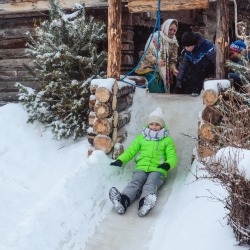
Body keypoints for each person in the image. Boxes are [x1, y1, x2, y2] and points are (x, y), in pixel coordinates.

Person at [109, 107, 178, 217]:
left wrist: (167, 164)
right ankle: (123, 201)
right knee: (135, 183)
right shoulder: (141, 137)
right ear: (148, 124)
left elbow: (172, 156)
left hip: (158, 169)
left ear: (162, 125)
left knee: (151, 183)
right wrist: (120, 160)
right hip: (141, 167)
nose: (154, 127)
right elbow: (131, 150)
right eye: (151, 124)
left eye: (157, 124)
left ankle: (145, 203)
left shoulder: (167, 140)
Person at [135, 19, 179, 93]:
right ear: (166, 27)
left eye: (174, 30)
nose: (172, 32)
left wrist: (173, 69)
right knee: (155, 81)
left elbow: (172, 61)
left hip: (164, 70)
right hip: (149, 67)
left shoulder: (174, 43)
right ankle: (158, 103)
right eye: (170, 29)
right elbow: (147, 53)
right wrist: (157, 61)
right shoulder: (155, 36)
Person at [173, 28, 216, 96]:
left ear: (194, 44)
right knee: (187, 72)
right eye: (185, 46)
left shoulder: (207, 46)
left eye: (189, 46)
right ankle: (183, 91)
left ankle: (196, 91)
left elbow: (215, 62)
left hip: (208, 70)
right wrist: (178, 83)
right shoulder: (188, 51)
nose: (187, 48)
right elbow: (183, 67)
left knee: (199, 67)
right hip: (197, 72)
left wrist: (216, 77)